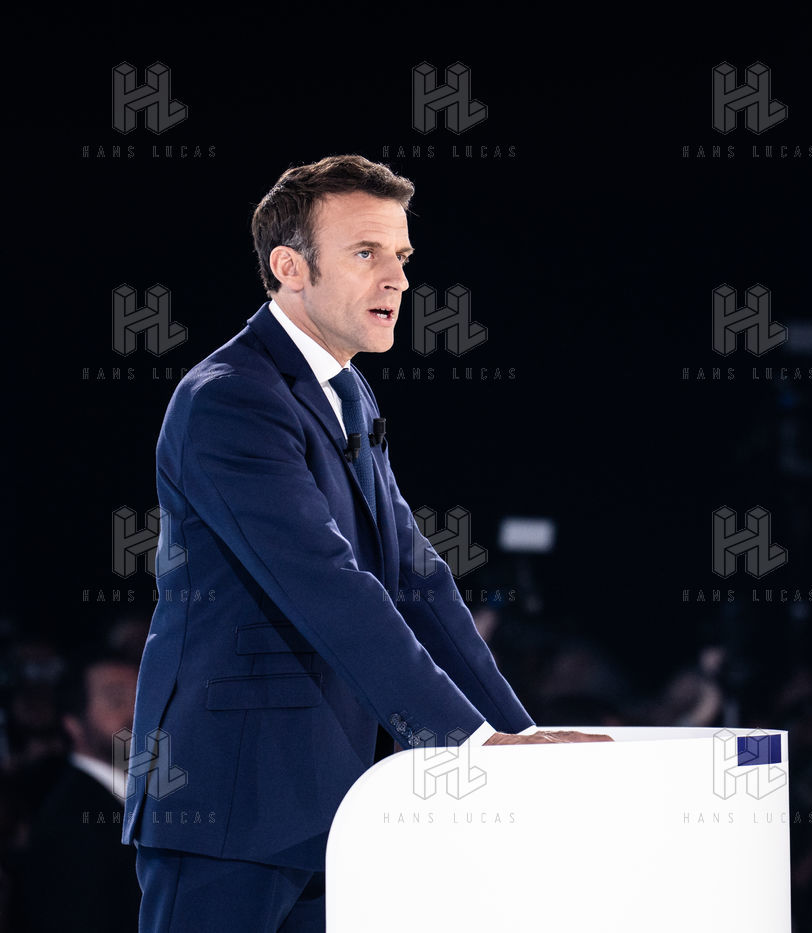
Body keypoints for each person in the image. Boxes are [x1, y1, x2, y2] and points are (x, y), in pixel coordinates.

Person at [121, 154, 607, 933]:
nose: (398, 279)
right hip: (229, 807)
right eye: (366, 252)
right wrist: (468, 737)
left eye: (402, 256)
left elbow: (417, 579)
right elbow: (330, 585)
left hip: (332, 810)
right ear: (289, 268)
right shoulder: (231, 399)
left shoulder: (348, 392)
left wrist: (512, 733)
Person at [13, 654, 141, 932]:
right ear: (73, 724)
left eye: (142, 698)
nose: (137, 713)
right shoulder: (67, 822)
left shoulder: (141, 798)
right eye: (117, 701)